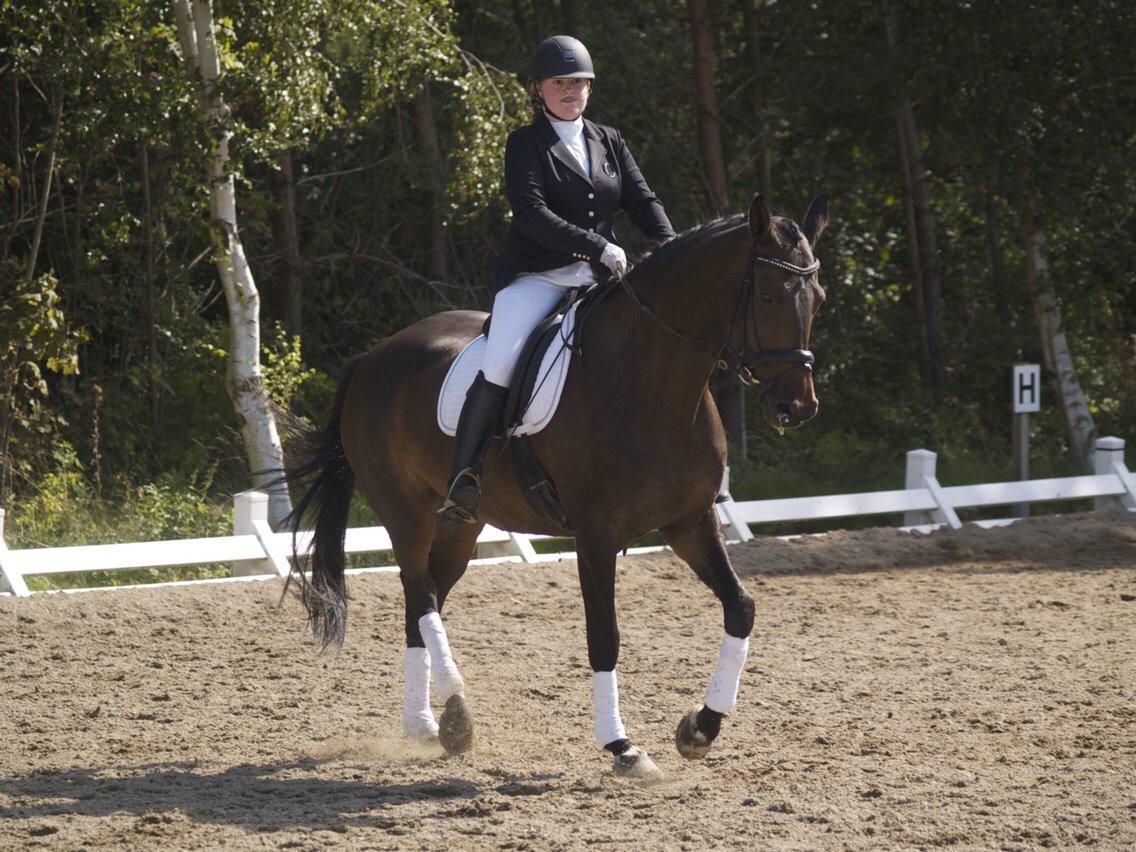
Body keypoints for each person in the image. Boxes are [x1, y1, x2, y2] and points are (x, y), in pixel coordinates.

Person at [437, 34, 676, 530]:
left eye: (580, 83)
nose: (571, 91)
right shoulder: (526, 143)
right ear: (538, 89)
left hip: (599, 278)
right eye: (560, 83)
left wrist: (672, 246)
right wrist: (598, 246)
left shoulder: (608, 139)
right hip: (539, 275)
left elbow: (642, 200)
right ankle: (464, 478)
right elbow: (530, 213)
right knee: (502, 359)